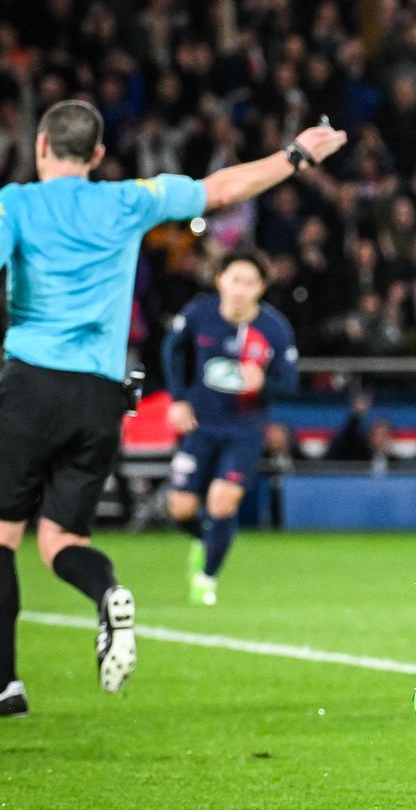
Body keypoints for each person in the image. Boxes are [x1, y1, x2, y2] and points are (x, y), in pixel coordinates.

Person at [0, 99, 344, 717]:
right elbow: (222, 188)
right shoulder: (129, 198)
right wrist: (295, 155)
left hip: (33, 383)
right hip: (102, 393)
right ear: (98, 156)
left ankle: (6, 686)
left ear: (42, 146)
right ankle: (106, 593)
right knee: (63, 536)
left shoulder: (15, 201)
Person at [162, 252, 299, 606]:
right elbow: (172, 349)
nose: (240, 289)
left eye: (250, 282)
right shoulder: (200, 313)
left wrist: (263, 384)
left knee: (222, 502)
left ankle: (207, 577)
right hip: (201, 425)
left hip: (244, 430)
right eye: (235, 279)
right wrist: (178, 398)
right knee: (180, 508)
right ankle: (204, 539)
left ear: (261, 288)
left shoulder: (273, 328)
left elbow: (291, 383)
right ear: (220, 279)